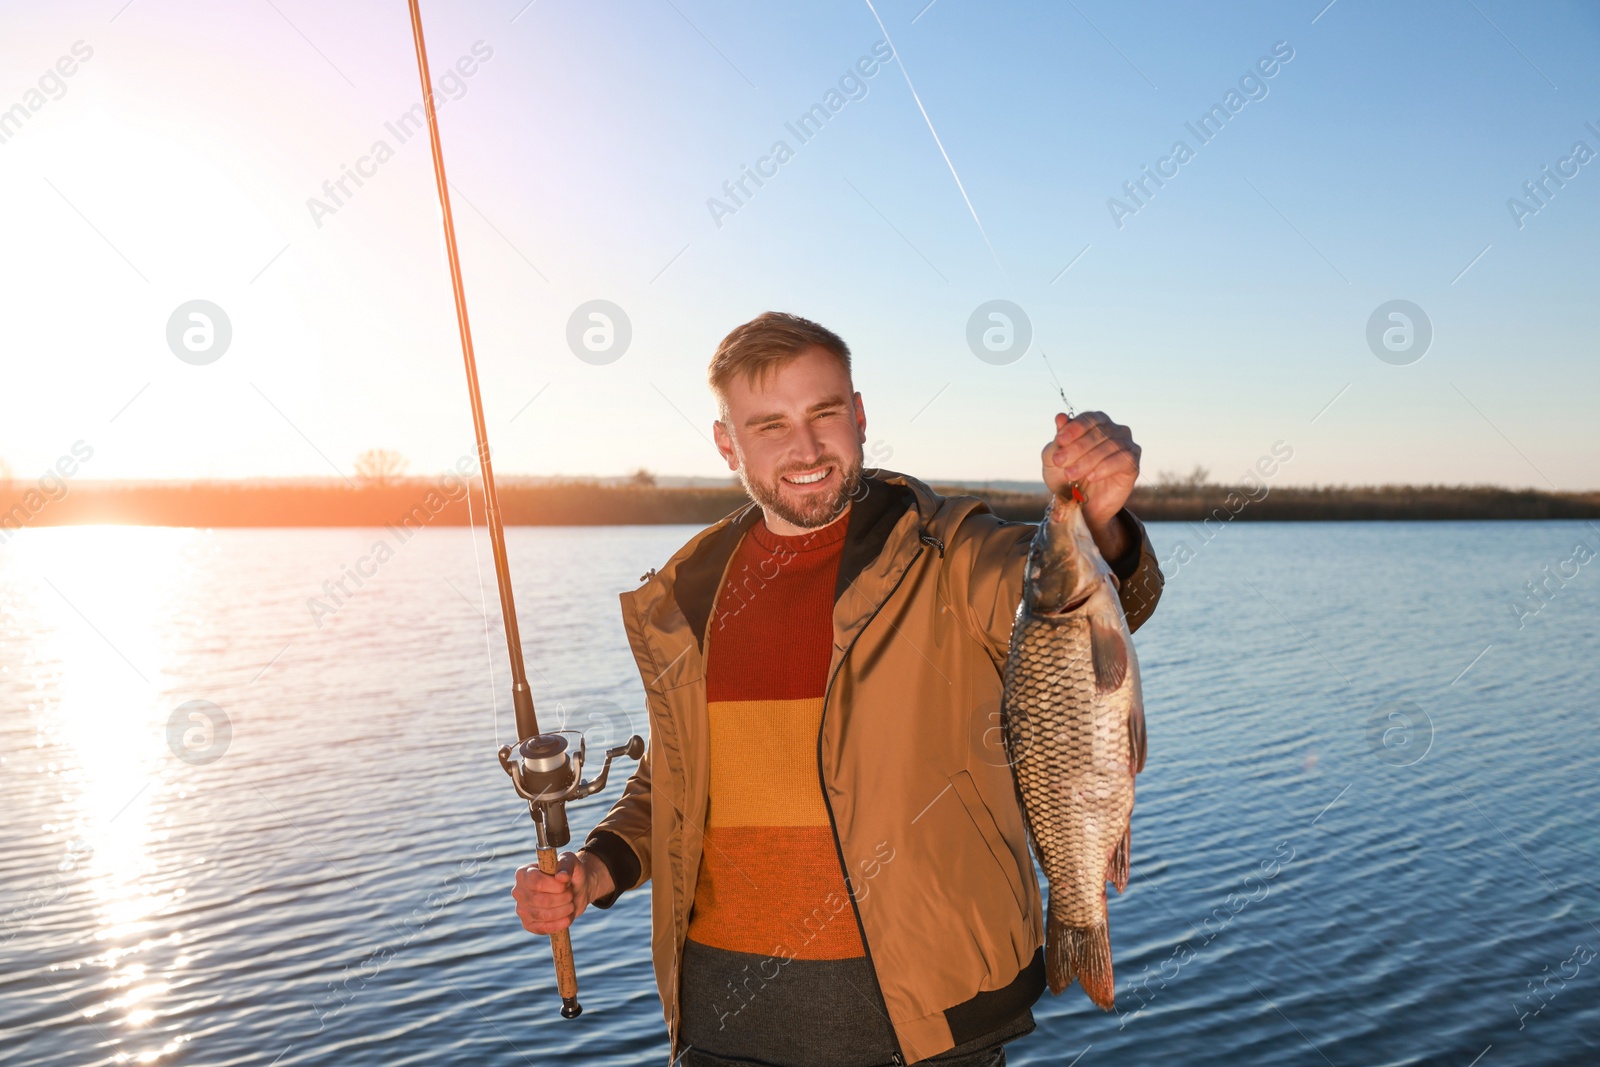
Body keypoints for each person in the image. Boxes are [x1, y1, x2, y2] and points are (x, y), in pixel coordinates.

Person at [512, 312, 1163, 1066]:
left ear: (858, 415)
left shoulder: (947, 548)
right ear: (727, 443)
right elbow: (675, 780)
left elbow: (1067, 600)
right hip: (723, 1032)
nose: (806, 448)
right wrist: (597, 867)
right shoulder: (689, 591)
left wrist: (1102, 517)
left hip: (929, 1027)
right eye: (770, 425)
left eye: (824, 413)